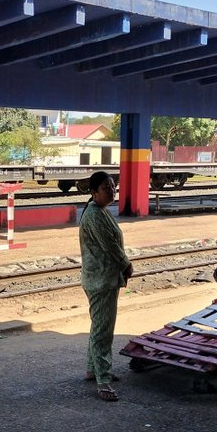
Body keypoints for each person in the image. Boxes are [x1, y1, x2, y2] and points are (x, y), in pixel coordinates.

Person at [78, 171, 134, 402]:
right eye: (105, 187)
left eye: (112, 186)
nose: (111, 190)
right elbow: (110, 246)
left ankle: (94, 369)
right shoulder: (95, 215)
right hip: (101, 280)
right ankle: (103, 380)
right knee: (103, 331)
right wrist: (126, 265)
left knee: (98, 326)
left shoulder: (99, 210)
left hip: (102, 278)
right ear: (93, 192)